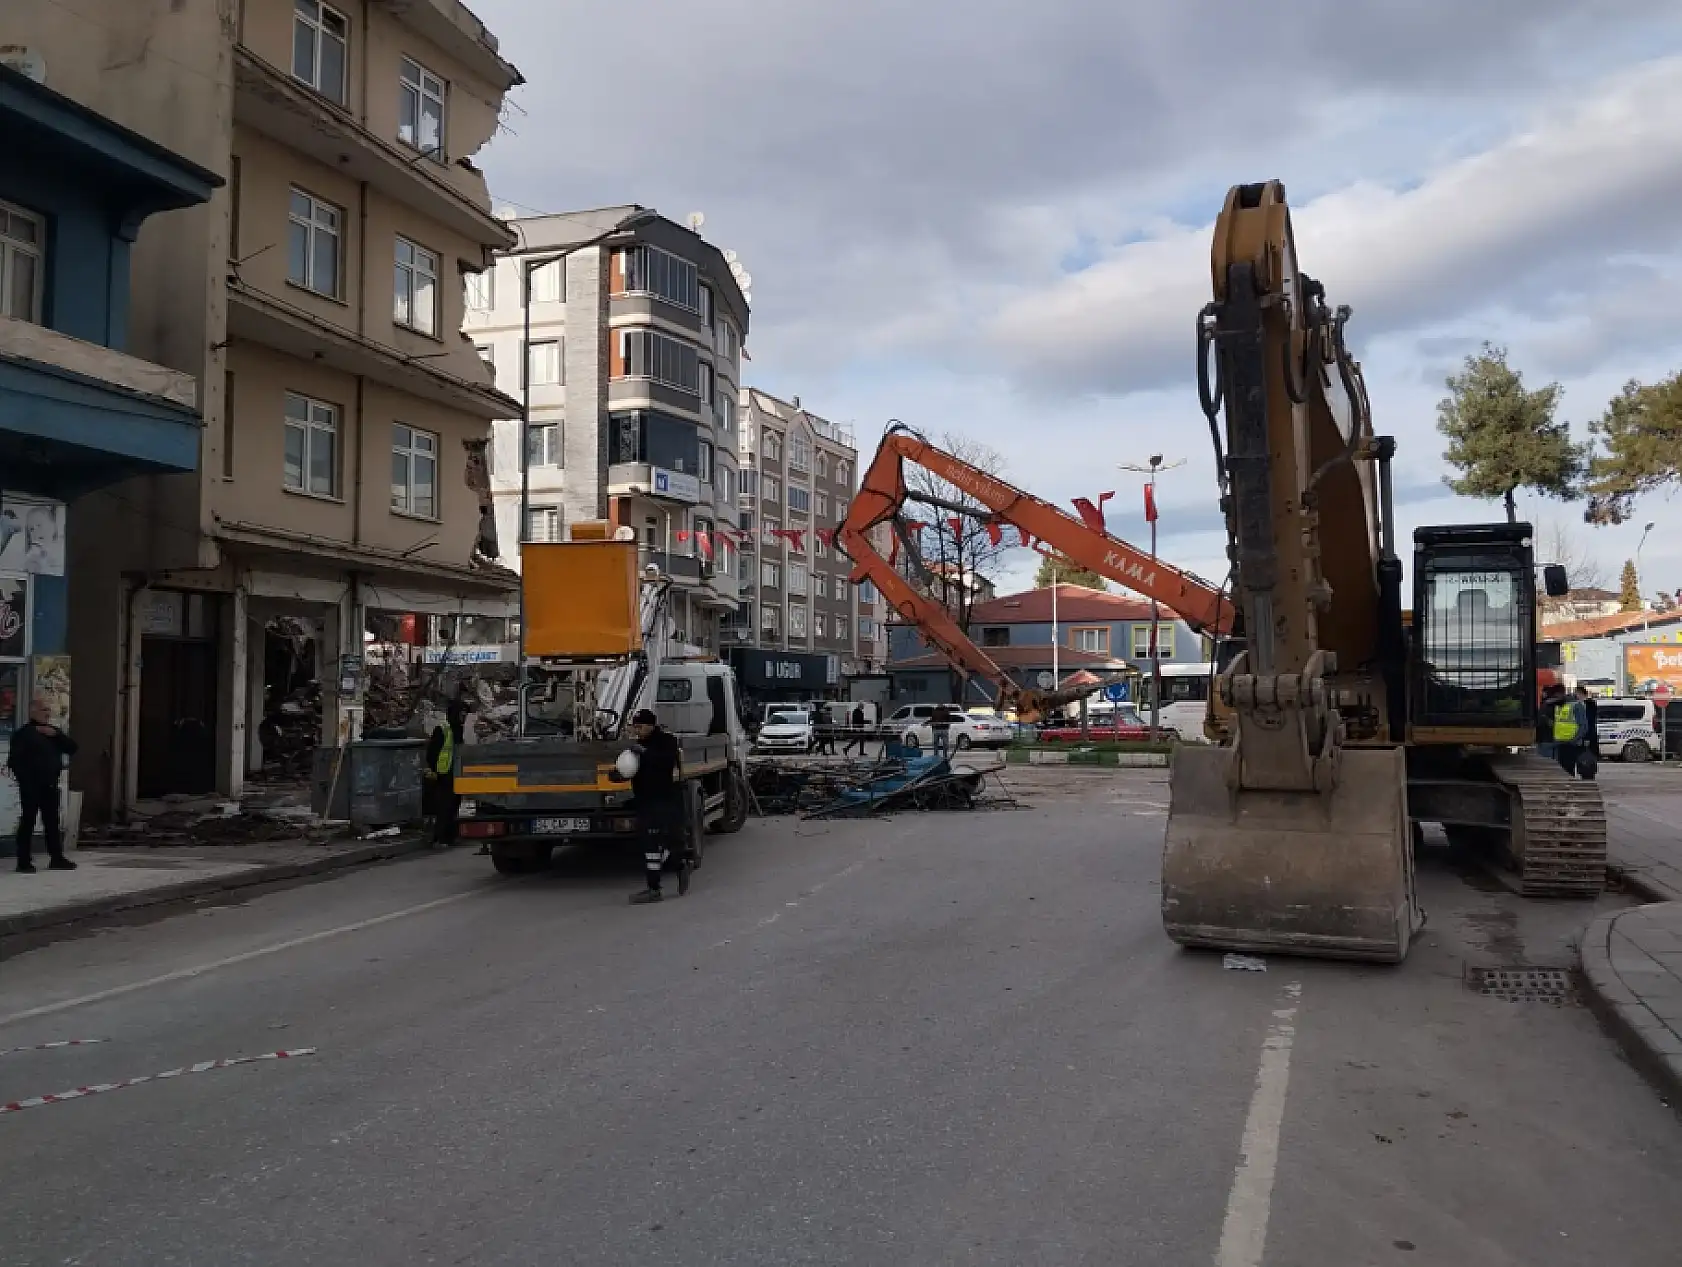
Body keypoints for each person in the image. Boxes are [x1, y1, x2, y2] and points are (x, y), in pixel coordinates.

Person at [625, 708, 691, 904]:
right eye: (635, 727)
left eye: (640, 727)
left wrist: (644, 753)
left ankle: (660, 882)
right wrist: (619, 773)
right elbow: (631, 769)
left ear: (651, 725)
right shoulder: (638, 744)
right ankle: (669, 873)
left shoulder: (667, 741)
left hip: (663, 800)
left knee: (658, 841)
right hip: (645, 800)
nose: (637, 731)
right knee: (649, 844)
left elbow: (664, 762)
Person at [7, 697, 78, 873]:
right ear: (32, 711)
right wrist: (25, 781)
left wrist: (57, 735)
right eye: (43, 710)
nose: (47, 713)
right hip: (31, 785)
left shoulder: (53, 732)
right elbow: (14, 761)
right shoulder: (23, 734)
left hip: (50, 785)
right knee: (28, 821)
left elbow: (72, 747)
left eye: (48, 710)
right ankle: (23, 860)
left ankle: (57, 858)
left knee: (52, 822)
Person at [424, 699, 467, 848]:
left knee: (454, 806)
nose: (463, 717)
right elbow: (432, 752)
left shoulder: (460, 730)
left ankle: (450, 836)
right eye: (461, 714)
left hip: (456, 775)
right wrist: (435, 770)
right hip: (445, 774)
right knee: (444, 807)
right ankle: (441, 838)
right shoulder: (443, 729)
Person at [1551, 687, 1589, 778]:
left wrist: (1575, 740)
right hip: (1560, 743)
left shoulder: (1576, 706)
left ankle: (1570, 787)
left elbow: (1583, 726)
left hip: (1571, 743)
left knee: (1569, 768)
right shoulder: (1559, 706)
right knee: (1562, 769)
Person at [1575, 686, 1600, 780]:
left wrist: (1587, 738)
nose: (1576, 696)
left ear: (1582, 694)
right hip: (1584, 737)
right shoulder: (1580, 705)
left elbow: (1589, 722)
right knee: (1582, 760)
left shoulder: (1589, 705)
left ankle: (1588, 775)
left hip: (1588, 737)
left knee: (1587, 759)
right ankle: (1585, 774)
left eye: (1577, 694)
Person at [1536, 684, 1565, 761]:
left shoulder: (1546, 704)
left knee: (1545, 762)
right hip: (1558, 737)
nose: (1541, 694)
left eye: (1543, 692)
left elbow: (1540, 721)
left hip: (1546, 738)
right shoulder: (1564, 704)